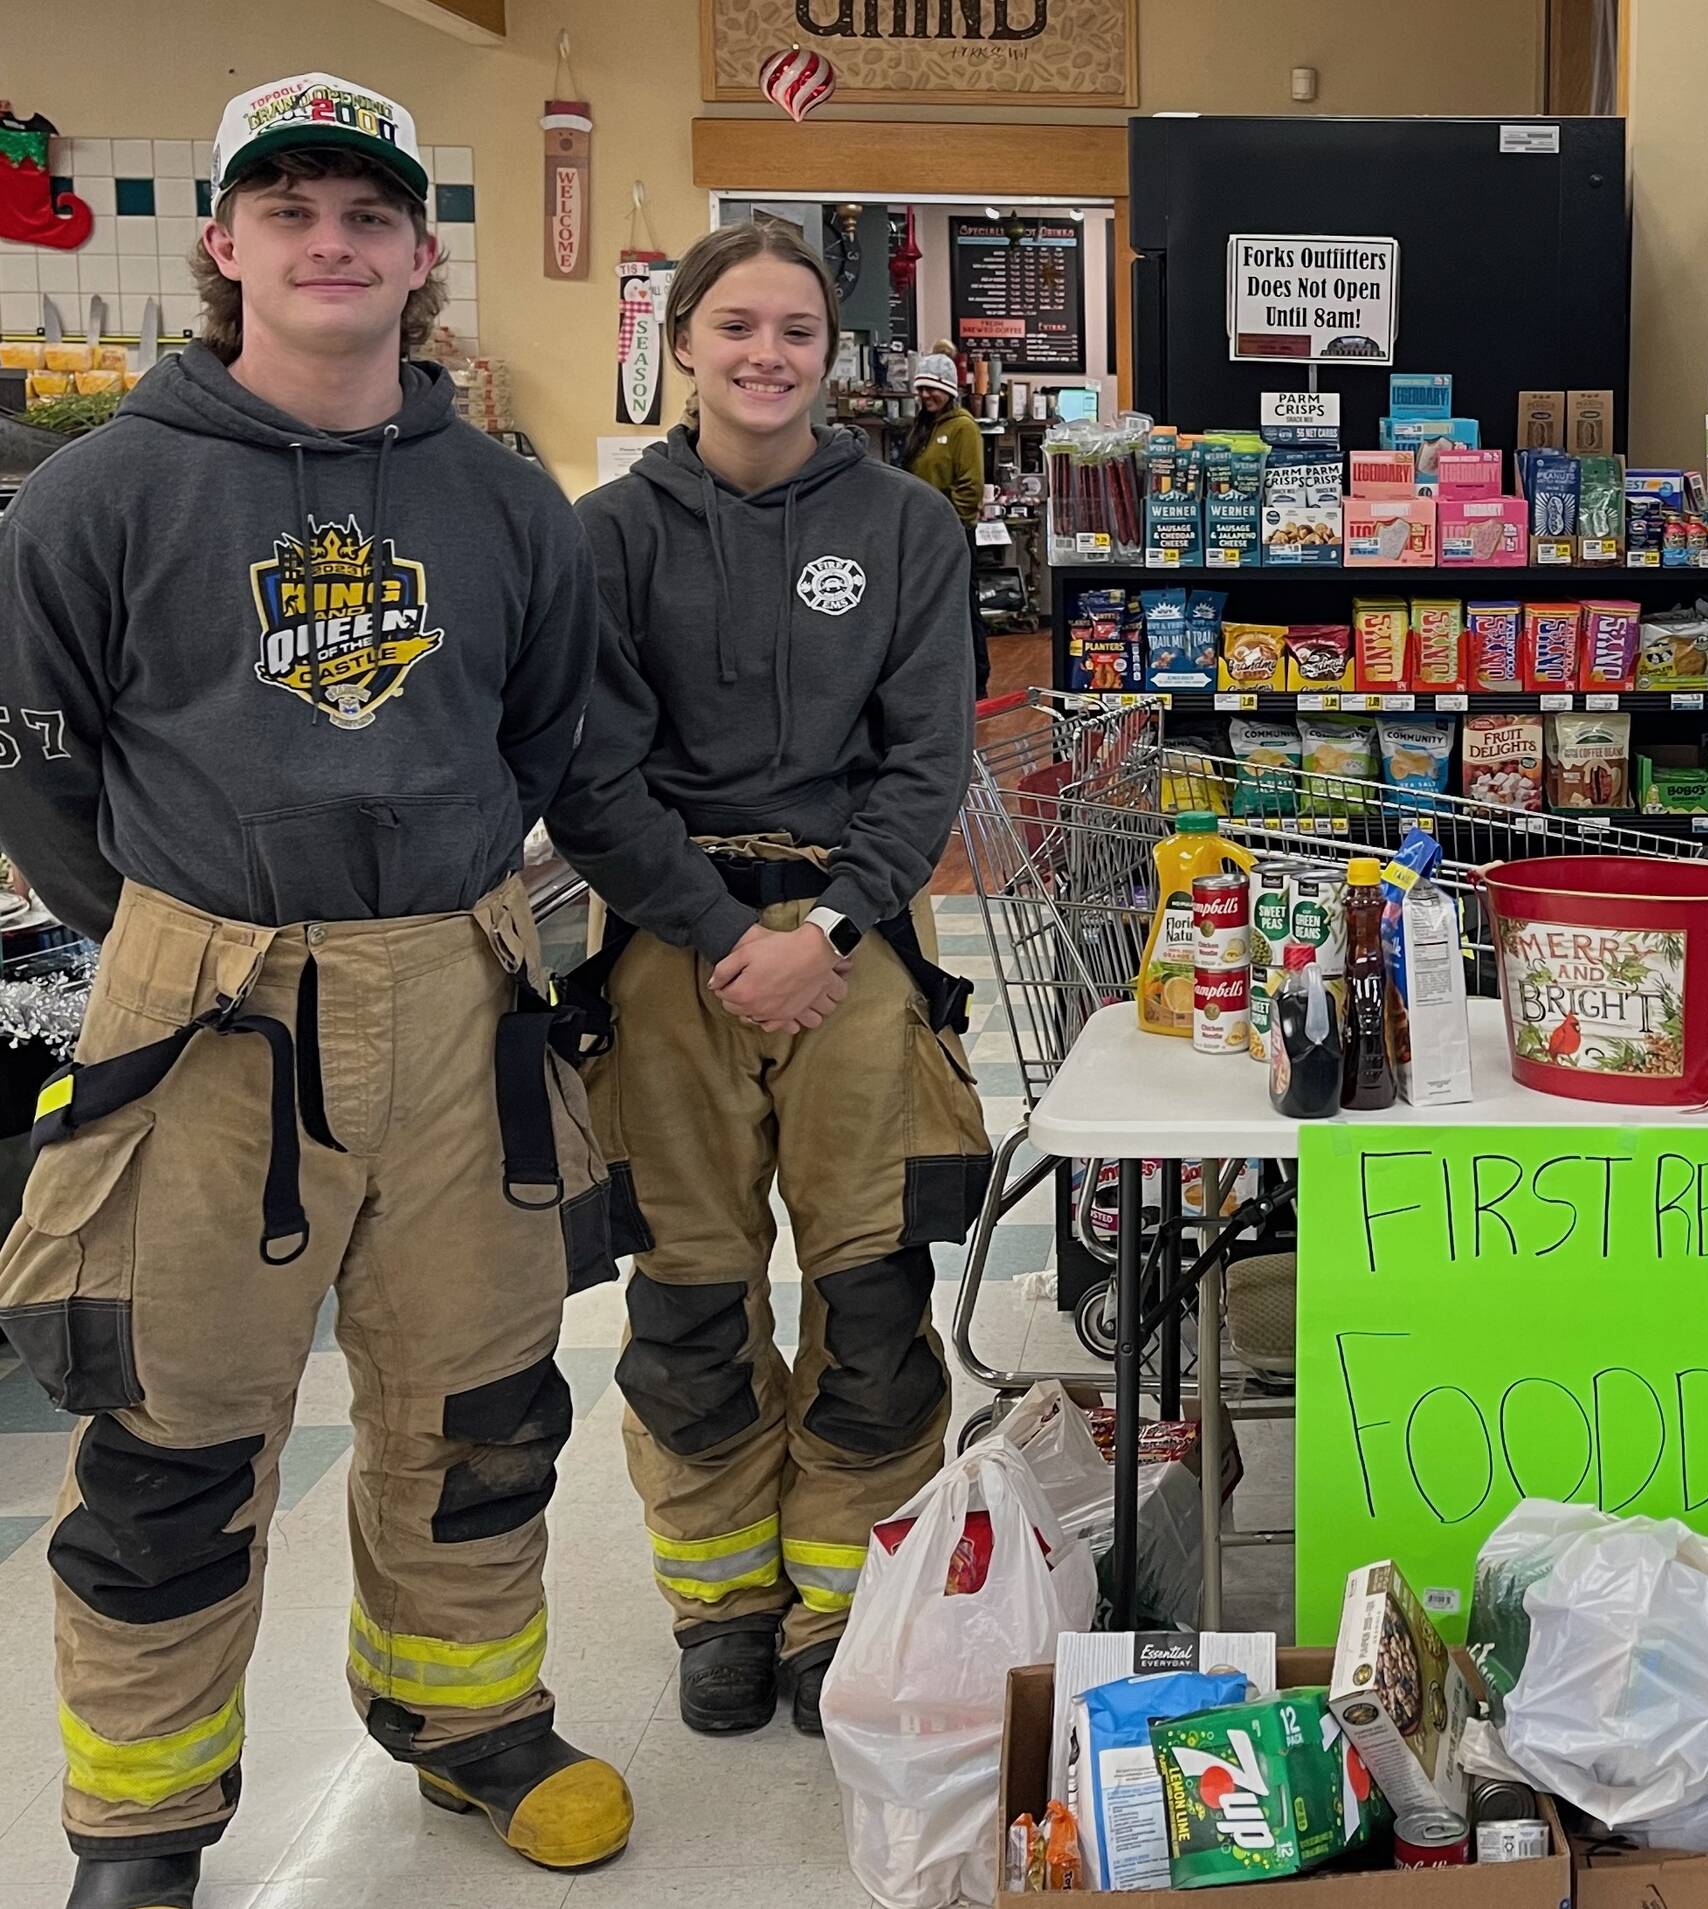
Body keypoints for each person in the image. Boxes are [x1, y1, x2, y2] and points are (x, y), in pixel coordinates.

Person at [0, 73, 633, 1909]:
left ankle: (468, 1719)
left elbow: (539, 728)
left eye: (366, 211)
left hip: (459, 993)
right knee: (170, 1432)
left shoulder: (505, 499)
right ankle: (139, 1821)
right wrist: (166, 934)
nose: (330, 239)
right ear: (224, 243)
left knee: (484, 1398)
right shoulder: (99, 491)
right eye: (288, 208)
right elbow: (34, 759)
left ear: (422, 251)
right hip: (203, 1008)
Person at [547, 224, 992, 1741]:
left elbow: (928, 756)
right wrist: (721, 932)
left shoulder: (904, 527)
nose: (766, 354)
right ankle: (720, 1599)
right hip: (669, 948)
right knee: (685, 1295)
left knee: (873, 1286)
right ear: (679, 341)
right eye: (734, 325)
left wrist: (836, 927)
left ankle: (839, 1597)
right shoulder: (604, 536)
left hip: (856, 947)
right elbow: (588, 766)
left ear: (830, 355)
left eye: (797, 330)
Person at [902, 345, 991, 697]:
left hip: (951, 533)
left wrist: (953, 525)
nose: (926, 395)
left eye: (933, 388)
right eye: (922, 388)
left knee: (964, 607)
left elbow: (970, 484)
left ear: (950, 390)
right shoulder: (923, 428)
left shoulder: (962, 428)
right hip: (920, 534)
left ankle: (977, 682)